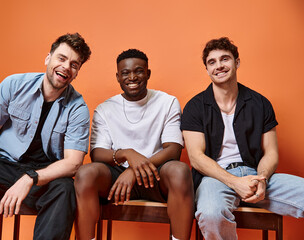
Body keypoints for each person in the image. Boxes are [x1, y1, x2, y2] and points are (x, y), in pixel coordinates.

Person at [0, 33, 91, 240]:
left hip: (44, 177)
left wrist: (31, 178)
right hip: (5, 168)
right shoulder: (14, 84)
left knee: (65, 190)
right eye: (61, 58)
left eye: (74, 64)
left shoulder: (78, 109)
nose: (67, 66)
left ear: (76, 73)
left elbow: (73, 163)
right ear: (48, 58)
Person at [181, 37, 304, 239]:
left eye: (225, 59)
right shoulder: (195, 106)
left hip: (256, 175)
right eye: (212, 62)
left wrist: (262, 180)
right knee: (211, 214)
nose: (219, 66)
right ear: (207, 69)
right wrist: (233, 182)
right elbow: (196, 157)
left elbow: (271, 152)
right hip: (215, 178)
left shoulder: (260, 103)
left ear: (237, 62)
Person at [74, 49, 194, 240]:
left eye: (139, 71)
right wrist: (127, 154)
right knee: (85, 173)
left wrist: (134, 170)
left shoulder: (167, 102)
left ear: (148, 73)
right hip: (116, 179)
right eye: (125, 73)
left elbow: (173, 150)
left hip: (156, 174)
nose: (132, 77)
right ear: (117, 77)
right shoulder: (105, 109)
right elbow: (97, 154)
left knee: (180, 170)